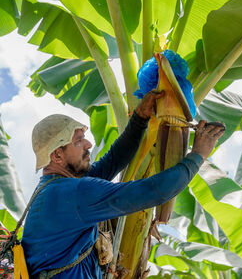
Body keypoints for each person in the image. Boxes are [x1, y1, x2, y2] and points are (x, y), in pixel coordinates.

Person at [21, 90, 224, 279]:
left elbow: (112, 161)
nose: (88, 144)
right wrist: (197, 156)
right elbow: (151, 191)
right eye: (78, 141)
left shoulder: (55, 189)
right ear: (57, 155)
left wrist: (140, 118)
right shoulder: (71, 193)